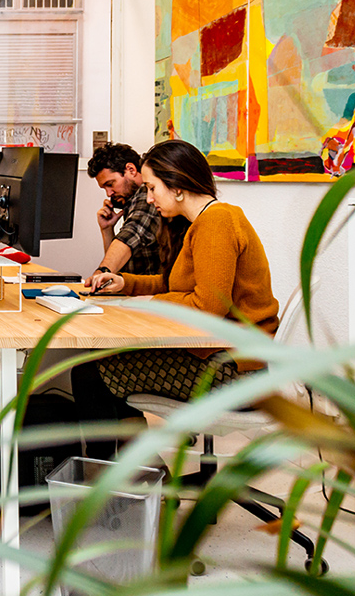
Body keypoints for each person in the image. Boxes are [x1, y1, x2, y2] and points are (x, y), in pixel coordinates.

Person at [72, 140, 279, 459]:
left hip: (236, 373)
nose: (148, 198)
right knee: (97, 364)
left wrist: (152, 302)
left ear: (177, 187)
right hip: (226, 358)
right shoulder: (201, 224)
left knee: (90, 374)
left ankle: (113, 475)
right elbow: (173, 283)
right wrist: (125, 283)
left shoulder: (217, 223)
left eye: (152, 188)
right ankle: (141, 470)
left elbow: (208, 308)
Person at [85, 142, 161, 285]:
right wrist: (107, 230)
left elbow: (133, 232)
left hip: (152, 293)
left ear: (131, 170)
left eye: (110, 184)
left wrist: (101, 273)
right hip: (135, 290)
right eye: (104, 188)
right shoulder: (131, 200)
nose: (109, 193)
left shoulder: (146, 195)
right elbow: (119, 266)